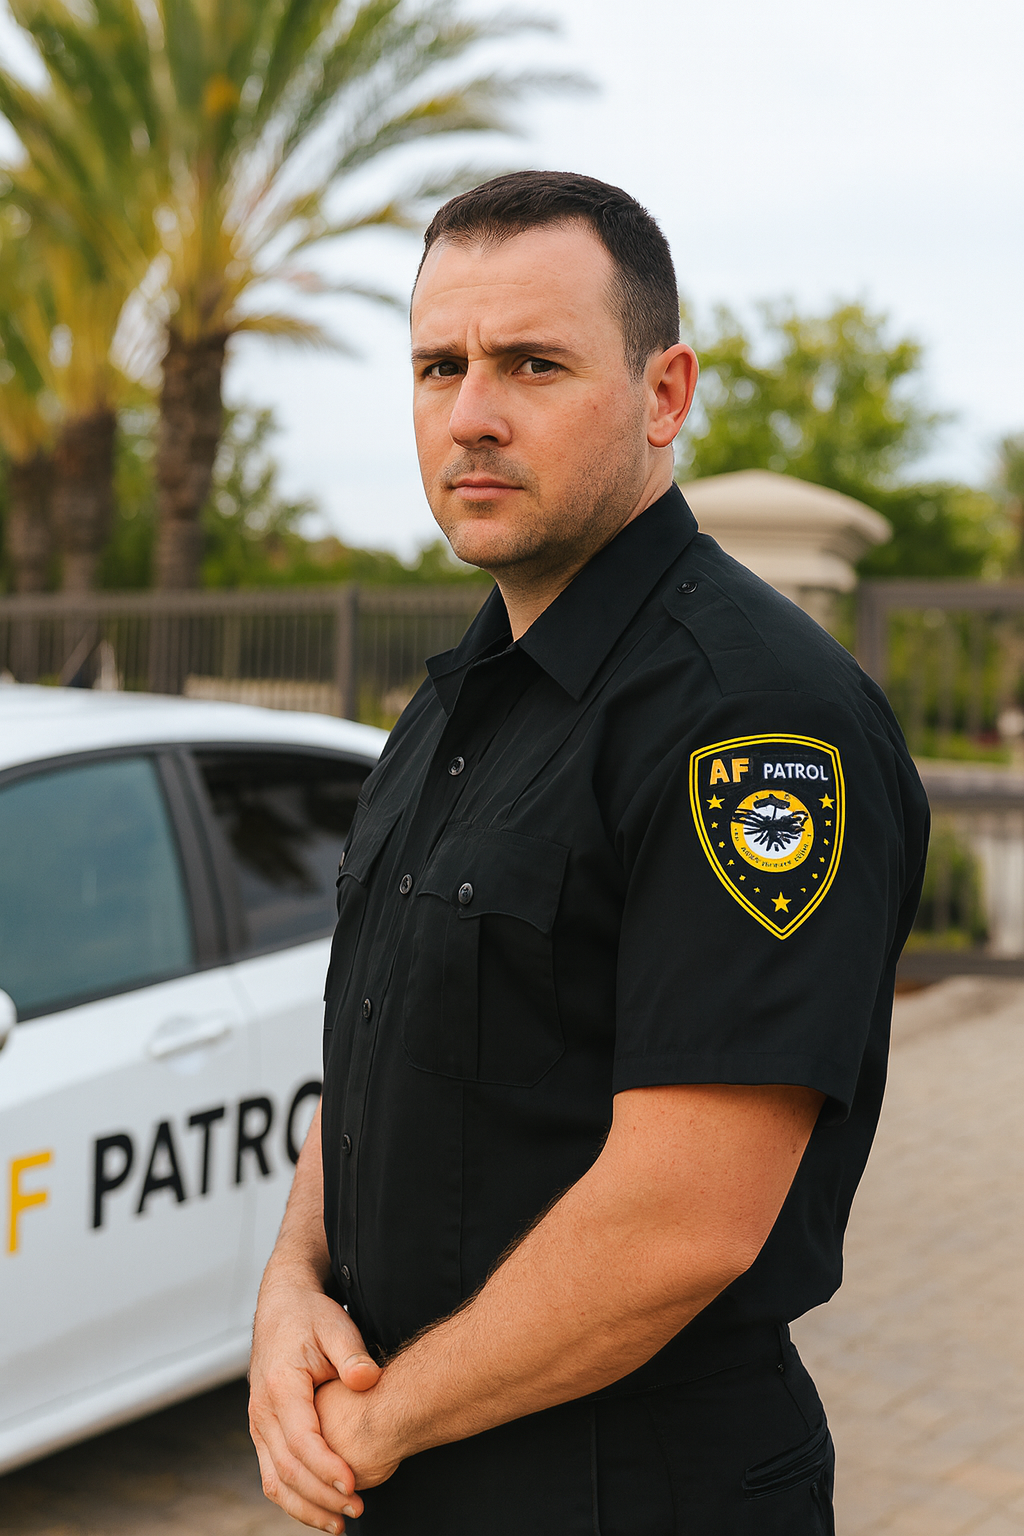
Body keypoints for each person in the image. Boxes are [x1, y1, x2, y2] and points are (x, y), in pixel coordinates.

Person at [248, 170, 929, 1535]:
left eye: (532, 364)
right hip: (422, 1455)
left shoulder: (751, 719)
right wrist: (290, 1290)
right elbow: (392, 1044)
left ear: (664, 392)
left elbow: (685, 1220)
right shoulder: (456, 706)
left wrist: (380, 1416)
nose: (472, 413)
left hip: (627, 1486)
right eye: (439, 366)